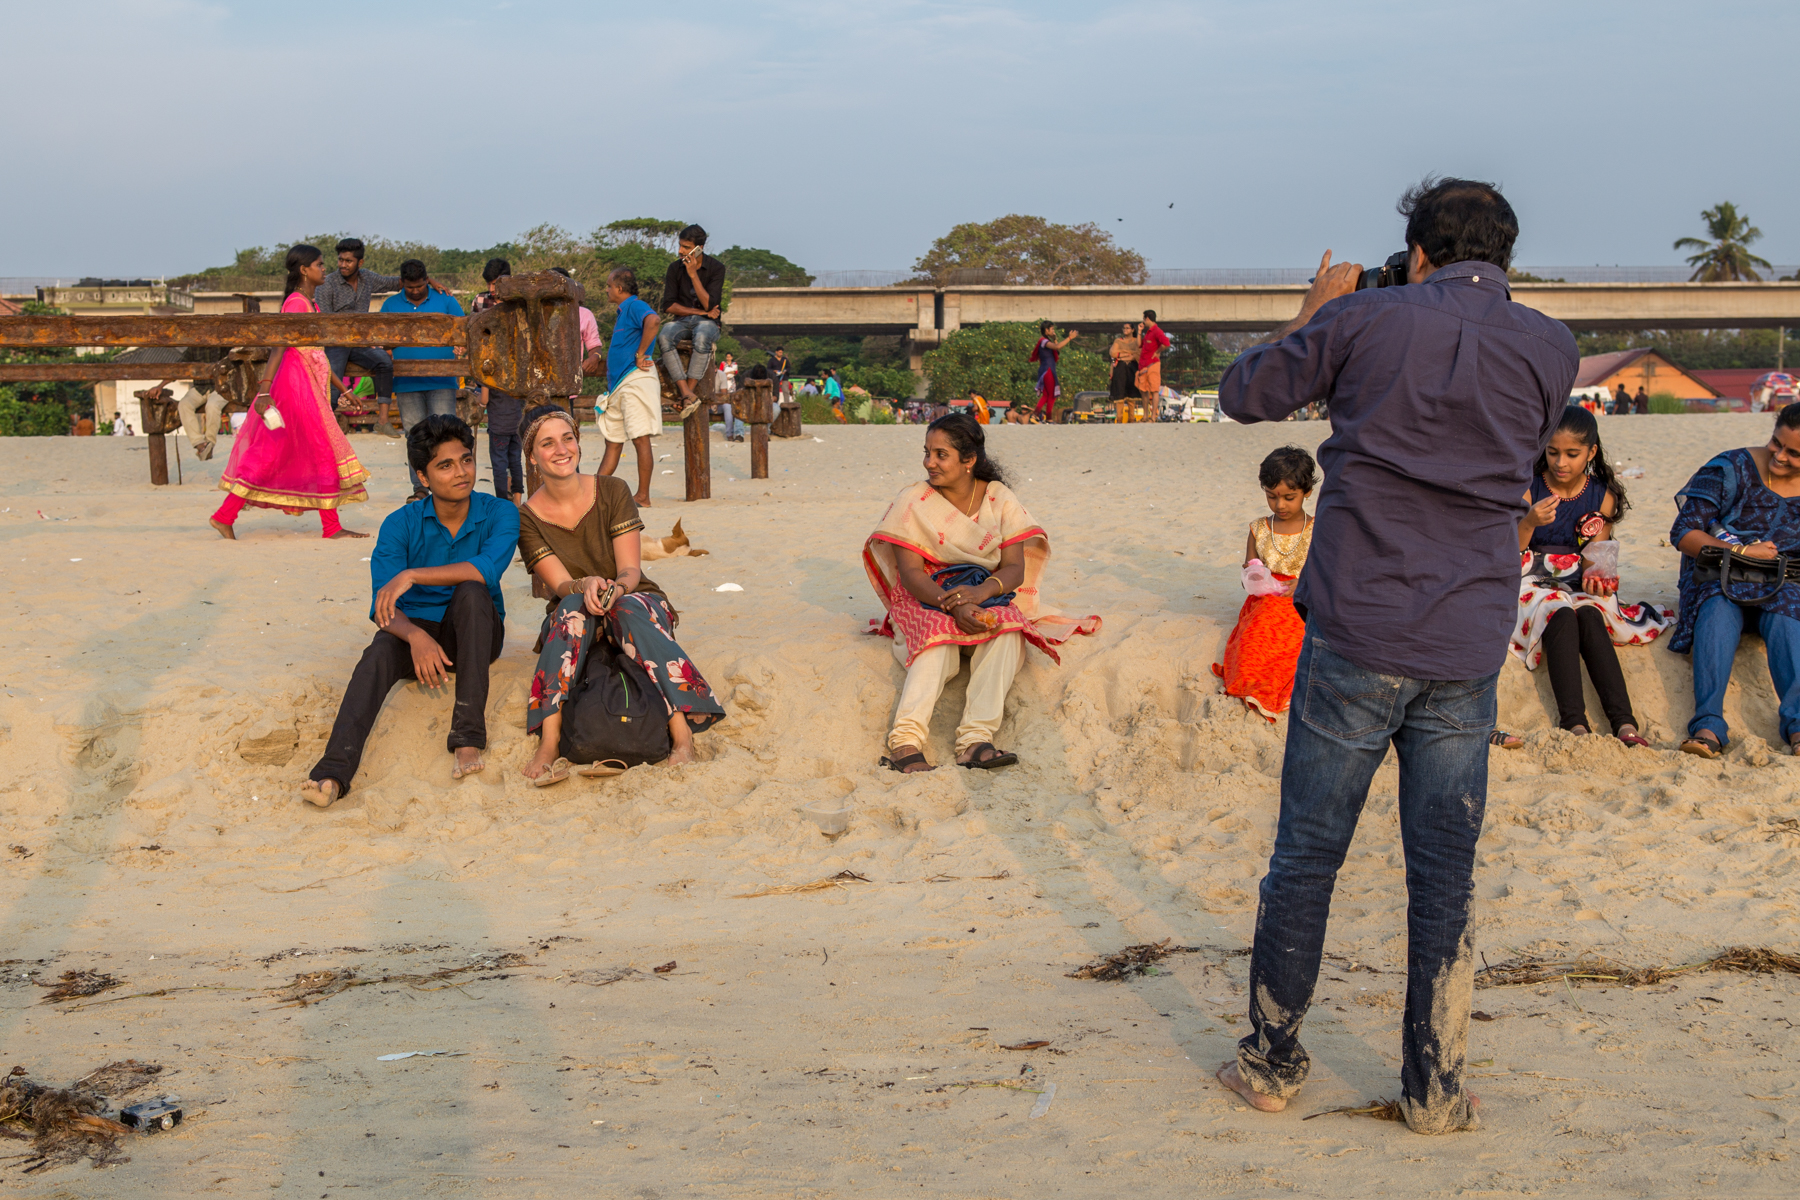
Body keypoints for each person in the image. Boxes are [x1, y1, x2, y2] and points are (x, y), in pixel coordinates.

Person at [1215, 178, 1578, 1134]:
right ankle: (1434, 1089)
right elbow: (1529, 446)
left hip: (1356, 629)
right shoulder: (1552, 343)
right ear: (1502, 258)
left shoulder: (1364, 319)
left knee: (1306, 858)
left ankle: (1273, 1062)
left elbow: (1244, 394)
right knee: (1444, 874)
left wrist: (1313, 313)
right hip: (1468, 638)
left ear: (1417, 251)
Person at [864, 413, 1100, 773]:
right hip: (926, 594)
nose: (929, 462)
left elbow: (1014, 568)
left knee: (1007, 634)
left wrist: (978, 595)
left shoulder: (998, 499)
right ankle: (905, 743)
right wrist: (952, 604)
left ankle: (975, 741)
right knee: (937, 641)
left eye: (941, 455)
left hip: (985, 592)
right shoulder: (913, 500)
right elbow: (910, 574)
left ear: (969, 460)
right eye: (927, 452)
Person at [301, 415, 517, 807]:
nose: (461, 472)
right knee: (376, 655)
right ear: (422, 476)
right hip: (413, 629)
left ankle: (467, 739)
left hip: (476, 631)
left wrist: (414, 575)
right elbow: (380, 607)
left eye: (466, 460)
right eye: (445, 465)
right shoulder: (400, 524)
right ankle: (332, 772)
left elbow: (486, 570)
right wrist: (416, 636)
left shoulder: (499, 513)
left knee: (471, 591)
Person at [516, 409, 725, 785]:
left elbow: (629, 569)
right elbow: (561, 584)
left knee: (626, 608)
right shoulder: (527, 516)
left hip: (633, 597)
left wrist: (614, 588)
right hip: (576, 609)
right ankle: (548, 743)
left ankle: (681, 735)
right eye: (547, 443)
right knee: (571, 611)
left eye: (568, 438)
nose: (561, 449)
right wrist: (586, 585)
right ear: (532, 456)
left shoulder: (612, 490)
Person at [1512, 405, 1667, 743]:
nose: (1560, 463)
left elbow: (1596, 557)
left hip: (1575, 580)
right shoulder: (1529, 488)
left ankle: (1625, 724)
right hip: (1530, 579)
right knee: (1561, 612)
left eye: (1571, 454)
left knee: (1591, 615)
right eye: (1552, 452)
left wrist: (1599, 577)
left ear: (1591, 452)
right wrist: (1529, 522)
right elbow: (1513, 551)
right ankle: (1574, 723)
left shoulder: (1602, 495)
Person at [211, 245, 372, 541]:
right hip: (295, 386)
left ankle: (225, 515)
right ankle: (330, 527)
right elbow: (279, 347)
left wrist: (343, 389)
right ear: (304, 270)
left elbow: (318, 354)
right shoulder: (296, 303)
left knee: (286, 450)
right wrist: (264, 390)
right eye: (320, 265)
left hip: (309, 385)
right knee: (312, 448)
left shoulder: (311, 303)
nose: (325, 269)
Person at [1668, 402, 1800, 758]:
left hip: (1785, 582)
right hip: (1719, 571)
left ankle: (1798, 724)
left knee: (1788, 614)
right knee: (1717, 607)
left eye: (1794, 453)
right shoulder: (1730, 467)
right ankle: (1708, 724)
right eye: (1777, 443)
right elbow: (1683, 532)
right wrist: (1742, 552)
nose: (1781, 456)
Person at [1212, 446, 1316, 719]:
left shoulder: (1317, 528)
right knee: (1255, 639)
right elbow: (1250, 572)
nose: (1280, 505)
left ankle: (1279, 688)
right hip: (1265, 600)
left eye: (1289, 498)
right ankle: (1253, 683)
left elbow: (1324, 570)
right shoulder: (1258, 529)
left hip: (1301, 596)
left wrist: (1303, 584)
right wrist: (1257, 578)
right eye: (1272, 497)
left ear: (1307, 492)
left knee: (1295, 642)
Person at [317, 237, 434, 437]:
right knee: (332, 390)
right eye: (340, 260)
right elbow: (324, 319)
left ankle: (382, 421)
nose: (343, 265)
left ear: (360, 263)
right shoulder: (327, 284)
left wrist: (429, 280)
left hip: (359, 344)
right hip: (335, 343)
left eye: (348, 261)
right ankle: (322, 431)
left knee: (384, 362)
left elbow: (396, 283)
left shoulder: (367, 278)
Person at [382, 259, 467, 501]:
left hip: (442, 380)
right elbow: (382, 340)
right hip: (407, 382)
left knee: (445, 433)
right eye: (411, 288)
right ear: (402, 284)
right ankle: (420, 487)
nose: (417, 291)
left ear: (427, 279)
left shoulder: (446, 300)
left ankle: (447, 482)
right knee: (414, 435)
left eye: (420, 286)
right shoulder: (390, 305)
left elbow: (463, 332)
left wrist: (461, 348)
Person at [595, 267, 663, 508]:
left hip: (634, 379)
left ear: (620, 289)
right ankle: (596, 494)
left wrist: (641, 353)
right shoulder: (623, 312)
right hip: (619, 385)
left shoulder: (635, 305)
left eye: (609, 285)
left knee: (640, 439)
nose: (606, 289)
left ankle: (643, 495)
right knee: (612, 441)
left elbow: (654, 321)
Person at [471, 258, 524, 503]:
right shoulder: (480, 301)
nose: (492, 290)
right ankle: (515, 497)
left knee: (504, 455)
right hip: (490, 371)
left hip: (512, 378)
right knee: (513, 452)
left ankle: (506, 499)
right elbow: (473, 336)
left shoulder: (521, 303)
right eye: (489, 284)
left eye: (495, 284)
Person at [658, 224, 725, 416]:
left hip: (709, 324)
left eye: (686, 247)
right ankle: (686, 392)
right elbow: (669, 305)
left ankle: (687, 395)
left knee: (703, 336)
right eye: (680, 245)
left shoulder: (716, 268)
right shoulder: (674, 268)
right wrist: (703, 312)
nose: (680, 251)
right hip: (682, 321)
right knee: (664, 336)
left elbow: (709, 303)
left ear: (699, 248)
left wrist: (693, 274)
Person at [1031, 321, 1077, 422]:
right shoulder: (1043, 341)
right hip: (1048, 370)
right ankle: (1046, 418)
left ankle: (1040, 416)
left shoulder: (1047, 341)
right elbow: (1057, 347)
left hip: (1048, 369)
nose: (1053, 331)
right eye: (1052, 329)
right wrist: (1069, 338)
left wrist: (1055, 339)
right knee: (1052, 395)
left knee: (1047, 395)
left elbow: (1057, 351)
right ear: (1046, 330)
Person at [1136, 310, 1171, 418]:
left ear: (1147, 318)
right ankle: (1145, 415)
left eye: (1143, 319)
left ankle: (1153, 417)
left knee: (1154, 390)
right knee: (1143, 391)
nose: (1143, 321)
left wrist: (1157, 352)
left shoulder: (1157, 331)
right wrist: (1139, 331)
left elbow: (1166, 343)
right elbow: (1139, 345)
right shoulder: (1148, 332)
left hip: (1152, 365)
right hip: (1143, 366)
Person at [1108, 322, 1141, 422]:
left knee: (1132, 396)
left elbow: (1138, 353)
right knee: (1120, 395)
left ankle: (1131, 419)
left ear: (1132, 330)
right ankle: (1119, 419)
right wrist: (1129, 354)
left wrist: (1121, 354)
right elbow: (1113, 353)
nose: (1125, 330)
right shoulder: (1118, 341)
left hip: (1132, 368)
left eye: (1127, 328)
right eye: (1124, 328)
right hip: (1120, 369)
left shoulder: (1136, 341)